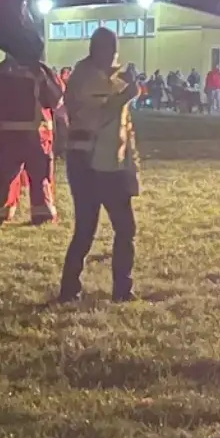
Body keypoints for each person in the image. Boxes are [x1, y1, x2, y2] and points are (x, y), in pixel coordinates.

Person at [60, 27, 141, 303]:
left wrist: (131, 165)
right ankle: (70, 290)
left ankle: (122, 289)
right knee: (86, 228)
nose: (112, 57)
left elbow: (124, 128)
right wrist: (125, 95)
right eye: (108, 50)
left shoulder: (113, 79)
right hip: (87, 162)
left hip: (113, 164)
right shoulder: (84, 79)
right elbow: (95, 117)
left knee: (125, 228)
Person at [0, 56, 64, 225]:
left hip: (8, 135)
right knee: (40, 175)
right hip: (35, 134)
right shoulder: (40, 71)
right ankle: (42, 214)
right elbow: (55, 98)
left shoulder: (1, 71)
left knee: (5, 176)